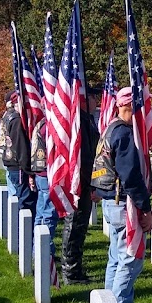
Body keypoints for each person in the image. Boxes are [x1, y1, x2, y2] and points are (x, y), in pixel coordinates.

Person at [91, 87, 152, 303]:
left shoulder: (109, 128)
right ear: (130, 107)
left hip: (110, 200)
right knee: (130, 259)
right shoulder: (124, 133)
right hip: (123, 202)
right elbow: (130, 174)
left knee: (116, 258)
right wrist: (145, 208)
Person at [61, 87, 101, 285]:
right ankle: (70, 272)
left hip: (86, 182)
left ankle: (75, 268)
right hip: (80, 183)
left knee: (80, 227)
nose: (97, 101)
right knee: (74, 225)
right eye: (94, 97)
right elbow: (83, 158)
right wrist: (91, 184)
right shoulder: (80, 121)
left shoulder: (88, 120)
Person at [0, 91, 37, 212]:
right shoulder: (16, 119)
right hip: (18, 166)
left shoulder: (7, 115)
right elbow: (21, 148)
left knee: (16, 197)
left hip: (11, 163)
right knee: (24, 202)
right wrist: (29, 171)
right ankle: (22, 229)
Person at [28, 115, 57, 262]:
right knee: (48, 214)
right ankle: (43, 253)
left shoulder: (41, 123)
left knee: (41, 213)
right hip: (47, 173)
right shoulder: (48, 125)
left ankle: (40, 250)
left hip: (40, 172)